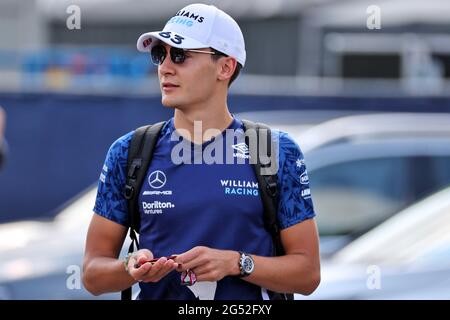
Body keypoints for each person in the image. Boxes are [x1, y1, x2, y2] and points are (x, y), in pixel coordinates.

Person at [83, 3, 320, 300]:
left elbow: (308, 275)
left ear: (225, 67)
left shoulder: (274, 150)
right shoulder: (129, 151)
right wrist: (129, 268)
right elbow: (92, 274)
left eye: (181, 55)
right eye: (160, 54)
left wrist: (237, 263)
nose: (165, 67)